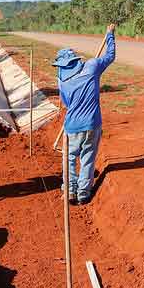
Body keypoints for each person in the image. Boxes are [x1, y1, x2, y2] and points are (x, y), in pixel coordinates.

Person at [53, 24, 116, 205]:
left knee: (70, 158)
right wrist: (110, 35)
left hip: (72, 126)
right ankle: (83, 194)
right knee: (88, 158)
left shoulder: (62, 81)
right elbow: (110, 56)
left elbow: (66, 103)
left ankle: (70, 190)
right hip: (92, 124)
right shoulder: (92, 66)